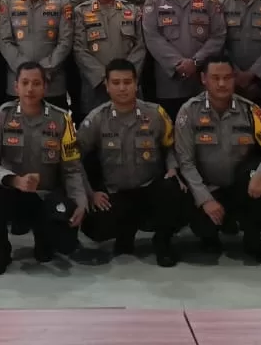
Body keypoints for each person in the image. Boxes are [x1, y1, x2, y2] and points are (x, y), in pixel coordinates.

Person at [0, 61, 88, 273]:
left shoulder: (61, 119)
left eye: (36, 83)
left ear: (45, 87)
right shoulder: (2, 115)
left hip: (46, 196)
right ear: (16, 86)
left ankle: (43, 239)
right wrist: (14, 180)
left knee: (65, 246)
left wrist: (80, 202)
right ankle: (1, 249)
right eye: (25, 83)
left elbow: (72, 168)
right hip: (14, 193)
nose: (30, 89)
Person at [173, 58, 261, 264]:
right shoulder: (189, 111)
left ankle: (253, 240)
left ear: (234, 79)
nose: (222, 84)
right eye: (215, 78)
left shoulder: (250, 110)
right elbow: (185, 162)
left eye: (227, 78)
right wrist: (205, 200)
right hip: (207, 187)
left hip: (242, 186)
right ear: (203, 79)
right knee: (201, 221)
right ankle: (209, 237)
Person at [75, 59, 184, 266]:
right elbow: (73, 157)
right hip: (117, 192)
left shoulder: (155, 114)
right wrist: (90, 192)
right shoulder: (96, 119)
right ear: (107, 86)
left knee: (173, 191)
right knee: (94, 226)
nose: (122, 88)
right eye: (116, 83)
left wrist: (172, 169)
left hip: (150, 188)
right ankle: (125, 233)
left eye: (127, 82)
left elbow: (170, 147)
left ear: (136, 84)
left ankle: (163, 242)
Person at [143, 0, 225, 119]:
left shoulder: (208, 0)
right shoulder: (154, 2)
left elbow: (218, 35)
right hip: (169, 84)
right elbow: (152, 37)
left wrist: (195, 62)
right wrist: (177, 63)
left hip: (202, 81)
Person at [72, 0, 146, 111]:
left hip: (129, 87)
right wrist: (104, 78)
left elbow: (140, 46)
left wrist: (125, 78)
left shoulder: (132, 11)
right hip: (96, 88)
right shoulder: (81, 12)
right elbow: (79, 49)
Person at [0, 0, 74, 100]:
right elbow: (5, 41)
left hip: (52, 83)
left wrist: (44, 70)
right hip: (18, 84)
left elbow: (65, 42)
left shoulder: (61, 3)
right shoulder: (8, 3)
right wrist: (25, 72)